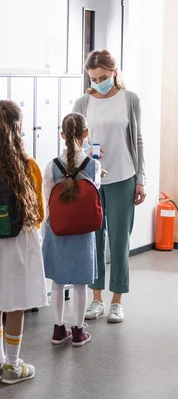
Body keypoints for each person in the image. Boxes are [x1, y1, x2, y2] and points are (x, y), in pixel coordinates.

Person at [0, 100, 48, 385]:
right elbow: (38, 212)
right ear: (19, 128)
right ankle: (13, 366)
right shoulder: (28, 166)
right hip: (19, 242)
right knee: (16, 303)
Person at [73, 50, 146, 323]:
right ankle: (96, 299)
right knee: (94, 240)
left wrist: (141, 179)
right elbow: (75, 142)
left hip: (123, 177)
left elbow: (138, 140)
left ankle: (117, 300)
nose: (98, 82)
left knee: (119, 241)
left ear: (114, 73)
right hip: (92, 180)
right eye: (93, 78)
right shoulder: (82, 103)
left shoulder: (129, 99)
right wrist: (88, 149)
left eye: (103, 77)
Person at [42, 113, 102, 347]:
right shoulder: (93, 165)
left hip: (58, 229)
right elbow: (94, 193)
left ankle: (58, 329)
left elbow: (48, 198)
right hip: (83, 231)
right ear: (86, 134)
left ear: (62, 135)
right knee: (80, 283)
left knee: (58, 282)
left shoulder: (51, 165)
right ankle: (78, 331)